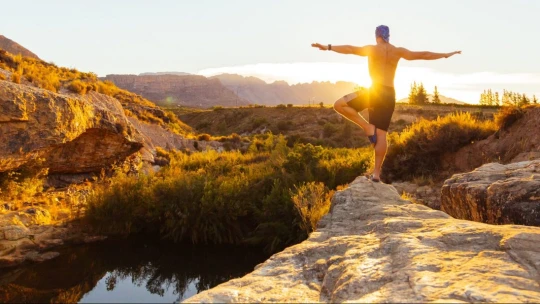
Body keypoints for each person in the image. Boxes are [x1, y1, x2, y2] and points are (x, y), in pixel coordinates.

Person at [311, 25, 461, 182]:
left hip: (374, 91)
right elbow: (423, 54)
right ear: (388, 36)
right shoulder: (398, 51)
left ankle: (367, 127)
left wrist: (327, 47)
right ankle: (376, 174)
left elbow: (350, 49)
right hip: (389, 94)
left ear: (377, 36)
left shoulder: (372, 49)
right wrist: (445, 55)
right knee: (381, 134)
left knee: (339, 105)